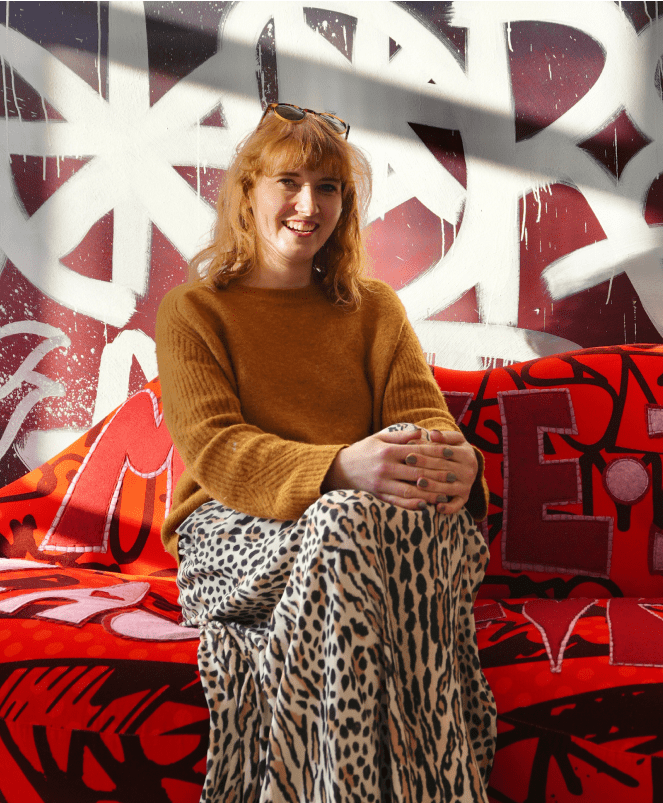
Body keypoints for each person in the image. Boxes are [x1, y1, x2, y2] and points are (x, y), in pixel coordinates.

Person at [155, 103, 496, 803]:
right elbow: (219, 449)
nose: (310, 205)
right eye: (289, 181)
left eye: (330, 187)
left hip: (364, 535)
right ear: (247, 192)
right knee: (350, 522)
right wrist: (338, 467)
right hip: (233, 537)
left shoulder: (373, 308)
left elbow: (422, 420)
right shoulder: (194, 312)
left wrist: (461, 462)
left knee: (371, 524)